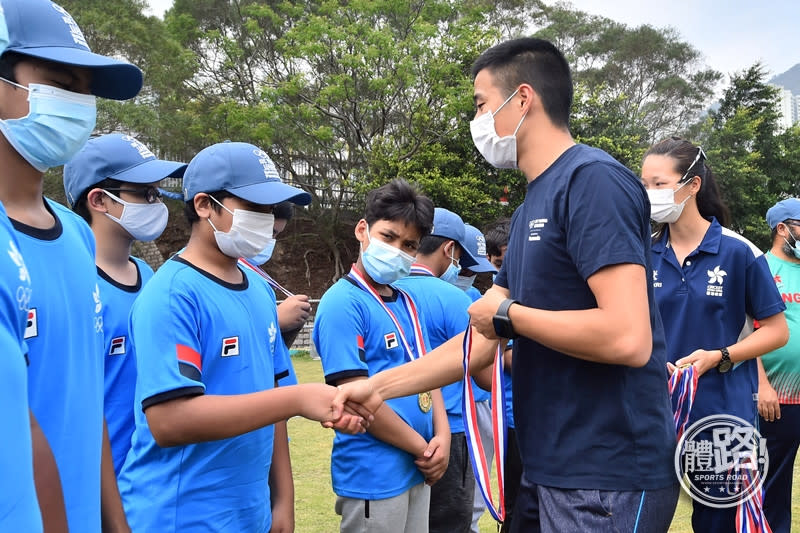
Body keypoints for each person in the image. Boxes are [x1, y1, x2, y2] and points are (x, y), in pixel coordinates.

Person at [334, 37, 681, 533]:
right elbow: (480, 342)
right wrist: (376, 388)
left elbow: (627, 336)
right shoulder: (529, 208)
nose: (476, 121)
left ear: (522, 99)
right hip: (549, 466)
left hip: (606, 475)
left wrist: (508, 314)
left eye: (480, 104)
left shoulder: (593, 181)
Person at [116, 141, 368, 532]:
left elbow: (273, 394)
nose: (266, 220)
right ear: (204, 206)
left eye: (271, 209)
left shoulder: (258, 289)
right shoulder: (172, 294)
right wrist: (298, 398)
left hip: (250, 511)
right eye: (254, 207)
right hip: (181, 514)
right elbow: (169, 421)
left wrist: (282, 500)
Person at [0, 0, 144, 530]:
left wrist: (115, 522)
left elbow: (88, 405)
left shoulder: (79, 238)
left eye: (86, 90)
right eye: (59, 81)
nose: (79, 104)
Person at [641, 137, 788, 532]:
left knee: (718, 523)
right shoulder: (641, 252)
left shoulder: (739, 252)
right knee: (640, 517)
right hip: (652, 413)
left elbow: (776, 332)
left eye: (659, 183)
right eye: (644, 185)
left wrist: (719, 356)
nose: (650, 195)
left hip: (722, 419)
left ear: (692, 185)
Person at [313, 179, 448, 533]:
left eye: (409, 245)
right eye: (388, 237)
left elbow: (427, 372)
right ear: (363, 230)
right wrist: (423, 448)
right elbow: (357, 398)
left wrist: (443, 437)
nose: (397, 250)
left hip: (417, 468)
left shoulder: (407, 301)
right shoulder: (343, 302)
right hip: (375, 473)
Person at [63, 133, 187, 476]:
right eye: (145, 193)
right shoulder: (73, 285)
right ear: (99, 200)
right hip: (100, 482)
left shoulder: (149, 276)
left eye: (158, 192)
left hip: (153, 477)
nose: (157, 202)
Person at [394, 207, 478, 533]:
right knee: (450, 522)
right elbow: (481, 368)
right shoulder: (456, 300)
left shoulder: (387, 292)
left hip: (396, 426)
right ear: (449, 249)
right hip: (450, 431)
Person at [752, 199, 800, 533]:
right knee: (772, 483)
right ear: (782, 229)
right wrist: (762, 385)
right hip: (777, 398)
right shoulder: (759, 268)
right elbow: (744, 330)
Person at [481, 217, 520, 533]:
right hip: (509, 419)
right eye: (498, 264)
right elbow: (498, 357)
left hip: (550, 420)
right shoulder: (489, 302)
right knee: (514, 505)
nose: (505, 271)